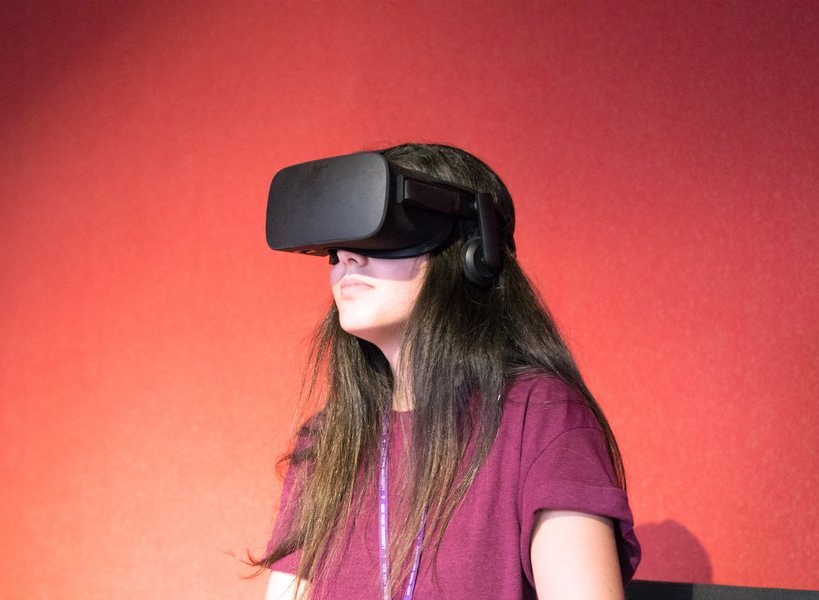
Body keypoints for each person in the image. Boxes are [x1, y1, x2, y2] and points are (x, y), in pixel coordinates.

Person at [253, 143, 640, 599]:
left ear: (476, 253)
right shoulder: (330, 439)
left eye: (384, 235)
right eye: (336, 249)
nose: (346, 259)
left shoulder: (539, 419)